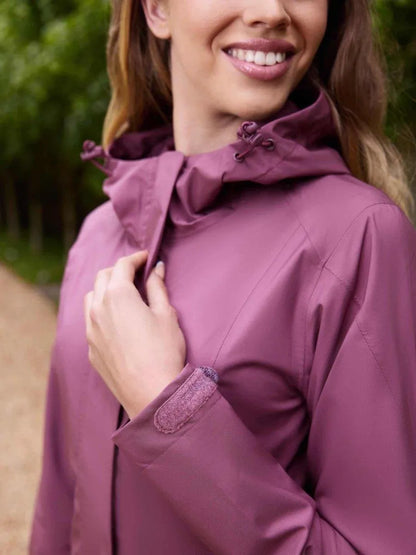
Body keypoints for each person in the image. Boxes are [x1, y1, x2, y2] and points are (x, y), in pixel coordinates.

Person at [30, 0, 416, 553]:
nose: (271, 11)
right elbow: (56, 510)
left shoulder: (360, 236)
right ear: (156, 10)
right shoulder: (97, 234)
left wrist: (170, 410)